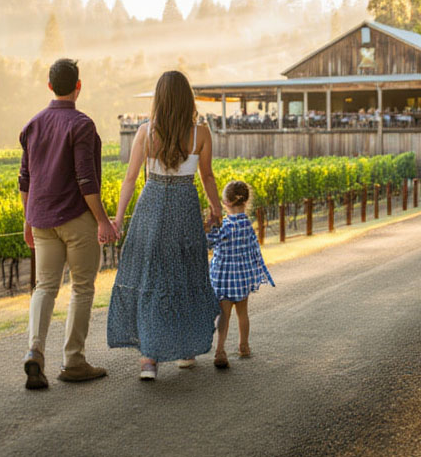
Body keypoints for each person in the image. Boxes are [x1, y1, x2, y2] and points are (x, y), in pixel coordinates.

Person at [108, 70, 223, 381]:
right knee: (186, 275)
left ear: (159, 99)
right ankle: (186, 352)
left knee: (150, 278)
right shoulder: (201, 133)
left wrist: (118, 219)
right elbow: (207, 177)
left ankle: (149, 359)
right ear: (188, 99)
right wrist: (215, 210)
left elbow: (130, 179)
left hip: (152, 209)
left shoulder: (147, 132)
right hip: (185, 208)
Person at [19, 58, 118, 390]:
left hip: (42, 220)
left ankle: (35, 349)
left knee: (45, 287)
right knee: (82, 288)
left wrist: (27, 221)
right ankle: (73, 360)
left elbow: (25, 180)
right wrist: (103, 221)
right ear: (79, 86)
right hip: (76, 219)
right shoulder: (82, 125)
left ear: (49, 86)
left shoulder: (32, 125)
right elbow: (86, 180)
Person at [205, 181, 275, 369]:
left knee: (224, 316)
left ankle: (220, 350)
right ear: (245, 201)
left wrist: (207, 228)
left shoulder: (226, 226)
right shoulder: (247, 225)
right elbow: (254, 250)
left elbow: (210, 242)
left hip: (225, 279)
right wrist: (256, 271)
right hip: (242, 279)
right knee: (243, 313)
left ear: (226, 202)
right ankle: (244, 346)